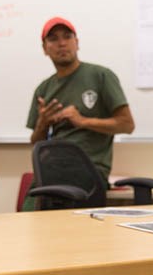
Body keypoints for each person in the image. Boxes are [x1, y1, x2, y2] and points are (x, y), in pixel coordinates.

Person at [26, 17, 135, 190]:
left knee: (53, 196)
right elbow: (35, 142)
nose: (62, 43)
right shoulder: (44, 89)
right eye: (53, 39)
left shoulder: (101, 76)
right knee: (32, 202)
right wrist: (42, 124)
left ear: (77, 43)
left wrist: (83, 121)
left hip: (88, 170)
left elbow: (127, 124)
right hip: (52, 168)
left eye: (67, 37)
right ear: (45, 49)